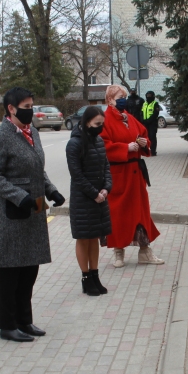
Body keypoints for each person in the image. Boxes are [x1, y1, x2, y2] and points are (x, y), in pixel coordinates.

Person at [0, 87, 66, 342]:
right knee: (9, 273)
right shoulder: (0, 136)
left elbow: (36, 167)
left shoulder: (33, 133)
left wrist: (51, 190)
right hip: (8, 215)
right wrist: (20, 196)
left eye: (32, 105)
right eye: (27, 106)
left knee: (29, 271)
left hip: (33, 211)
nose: (31, 110)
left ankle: (24, 320)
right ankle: (7, 325)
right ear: (11, 109)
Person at [102, 84, 164, 268]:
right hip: (119, 174)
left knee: (140, 212)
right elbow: (102, 145)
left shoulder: (129, 117)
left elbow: (143, 135)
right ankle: (118, 251)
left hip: (136, 174)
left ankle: (145, 251)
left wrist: (145, 143)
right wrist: (124, 148)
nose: (123, 99)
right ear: (109, 100)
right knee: (118, 213)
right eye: (118, 96)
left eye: (124, 96)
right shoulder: (105, 120)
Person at [66, 106, 113, 296]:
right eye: (97, 124)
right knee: (83, 238)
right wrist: (94, 193)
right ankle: (86, 278)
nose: (100, 128)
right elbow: (76, 175)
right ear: (86, 123)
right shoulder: (74, 144)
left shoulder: (99, 141)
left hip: (99, 198)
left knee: (95, 237)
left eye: (102, 124)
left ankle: (95, 275)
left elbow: (106, 168)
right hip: (83, 199)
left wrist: (106, 188)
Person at [141, 91, 161, 156]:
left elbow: (156, 113)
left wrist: (149, 120)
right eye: (147, 95)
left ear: (153, 96)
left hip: (152, 123)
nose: (148, 97)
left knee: (152, 137)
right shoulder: (144, 104)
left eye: (150, 95)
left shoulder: (155, 104)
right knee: (146, 137)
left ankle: (153, 151)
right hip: (145, 123)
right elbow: (141, 113)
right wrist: (143, 120)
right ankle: (147, 150)